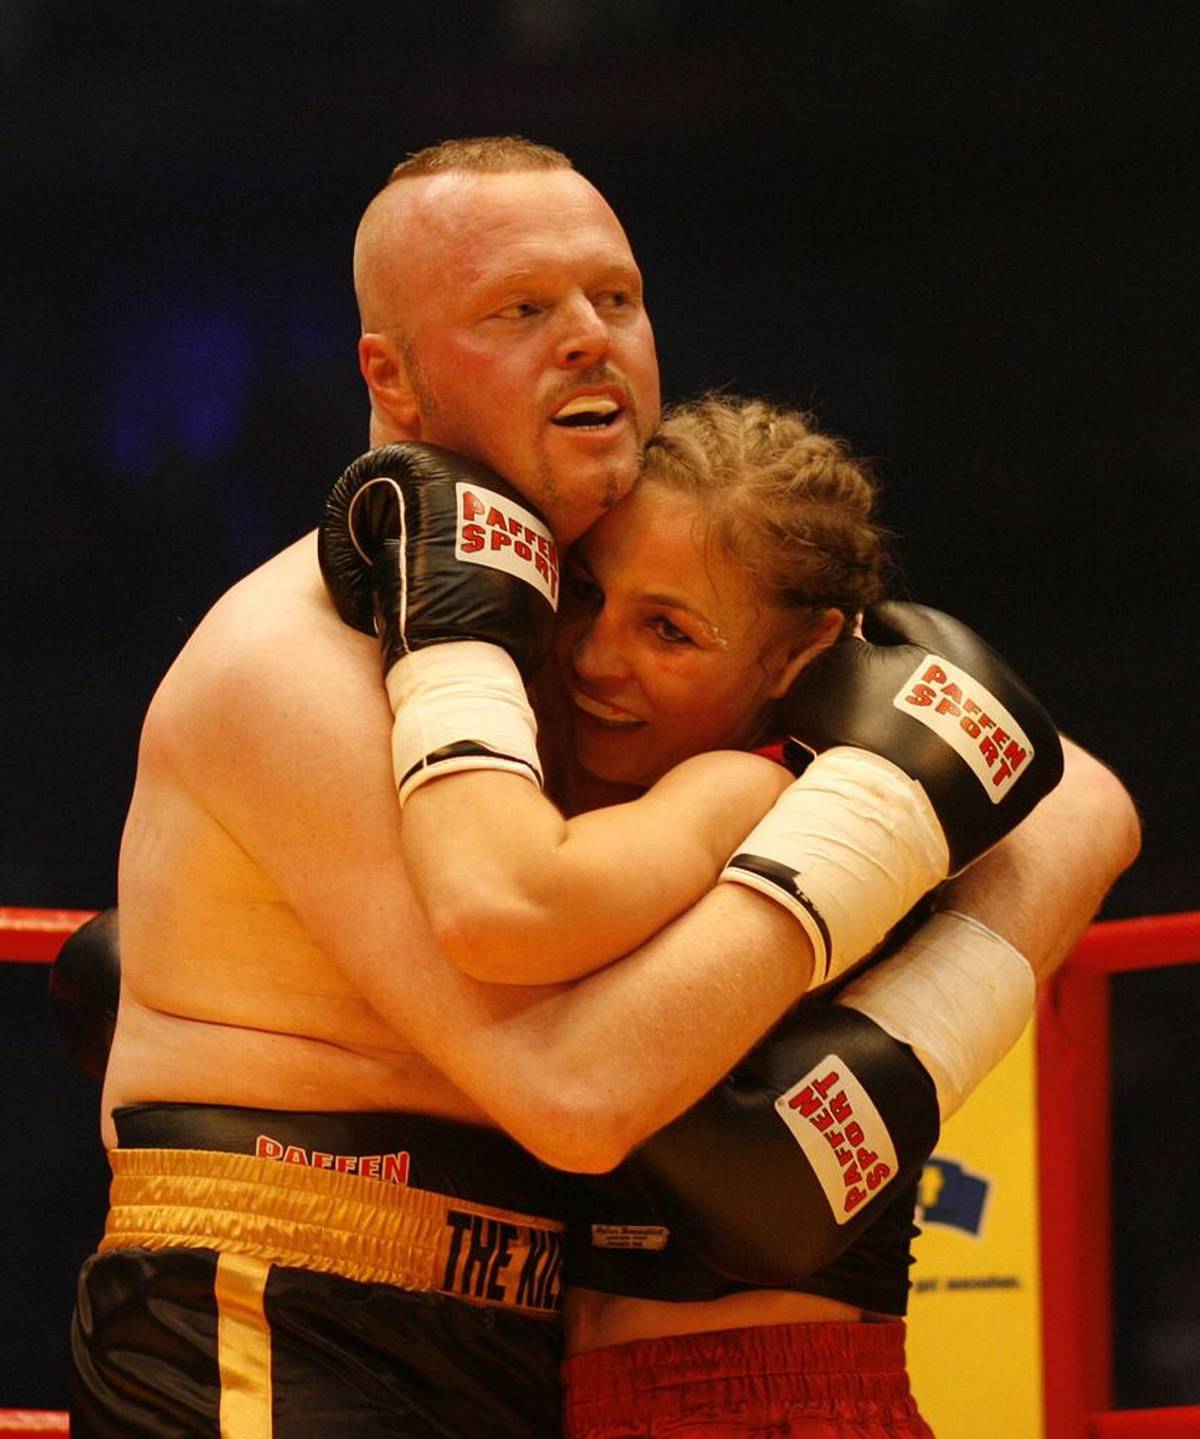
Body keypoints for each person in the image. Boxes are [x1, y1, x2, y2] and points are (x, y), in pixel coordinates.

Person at [67, 137, 1140, 1439]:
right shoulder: (295, 661)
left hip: (519, 1351)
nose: (586, 336)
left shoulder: (591, 612)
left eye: (615, 299)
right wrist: (800, 811)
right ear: (389, 379)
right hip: (279, 1317)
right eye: (520, 309)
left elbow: (1064, 788)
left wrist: (901, 1033)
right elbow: (574, 1092)